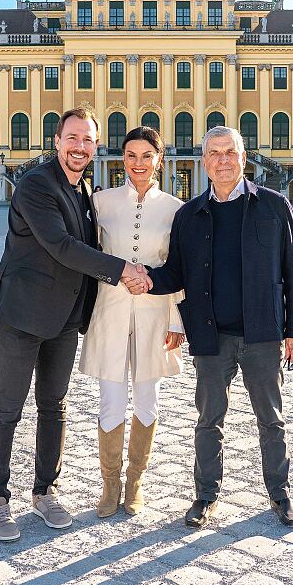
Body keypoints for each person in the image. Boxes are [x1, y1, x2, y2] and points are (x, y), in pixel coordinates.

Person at [0, 108, 150, 542]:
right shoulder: (37, 185)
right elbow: (61, 246)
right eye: (73, 138)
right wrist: (123, 269)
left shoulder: (82, 191)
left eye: (88, 141)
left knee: (53, 407)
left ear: (96, 147)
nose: (80, 147)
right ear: (57, 141)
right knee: (6, 410)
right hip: (20, 318)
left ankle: (44, 491)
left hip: (61, 319)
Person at [140, 125, 293, 529]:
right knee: (208, 419)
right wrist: (142, 276)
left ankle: (280, 494)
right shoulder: (190, 215)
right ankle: (205, 495)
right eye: (214, 153)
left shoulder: (273, 205)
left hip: (263, 334)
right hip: (211, 336)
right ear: (204, 162)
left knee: (271, 419)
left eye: (230, 152)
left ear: (243, 158)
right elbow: (175, 273)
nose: (222, 160)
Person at [79, 127, 185, 518]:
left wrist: (177, 318)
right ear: (121, 159)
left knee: (146, 399)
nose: (138, 163)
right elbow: (86, 254)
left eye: (146, 156)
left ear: (159, 158)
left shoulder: (175, 208)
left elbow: (179, 267)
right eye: (130, 156)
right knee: (110, 399)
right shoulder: (101, 202)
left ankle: (135, 482)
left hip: (156, 313)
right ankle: (109, 485)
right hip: (109, 311)